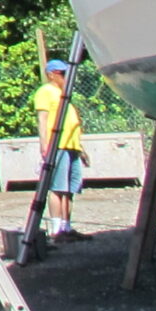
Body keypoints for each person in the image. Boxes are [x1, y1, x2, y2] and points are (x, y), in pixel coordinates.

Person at [33, 58, 87, 240]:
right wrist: (44, 145)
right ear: (51, 75)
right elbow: (43, 119)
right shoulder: (45, 92)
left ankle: (67, 227)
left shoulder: (64, 94)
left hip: (71, 146)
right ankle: (56, 230)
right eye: (62, 74)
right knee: (58, 187)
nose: (66, 77)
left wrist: (81, 149)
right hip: (58, 145)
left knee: (70, 189)